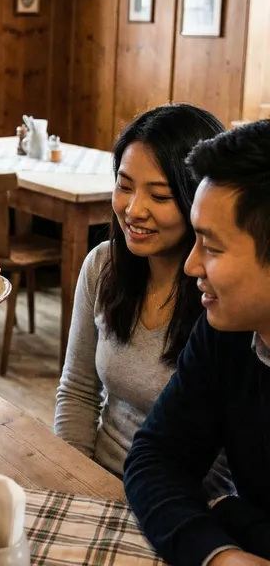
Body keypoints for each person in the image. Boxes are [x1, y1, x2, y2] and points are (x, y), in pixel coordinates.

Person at [124, 120, 270, 566]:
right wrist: (218, 553)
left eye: (212, 246)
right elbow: (156, 457)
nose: (191, 266)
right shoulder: (228, 332)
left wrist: (235, 514)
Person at [54, 103, 226, 479]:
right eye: (124, 185)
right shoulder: (103, 266)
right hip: (96, 478)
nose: (134, 209)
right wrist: (73, 480)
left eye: (160, 196)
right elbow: (78, 391)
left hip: (183, 505)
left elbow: (225, 462)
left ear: (201, 199)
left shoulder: (225, 296)